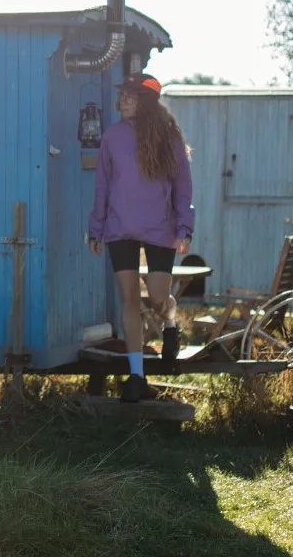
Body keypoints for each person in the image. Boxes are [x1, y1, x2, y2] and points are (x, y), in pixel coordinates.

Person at [87, 73, 194, 402]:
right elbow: (103, 185)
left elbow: (183, 187)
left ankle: (171, 320)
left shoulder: (169, 138)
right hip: (119, 228)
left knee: (158, 298)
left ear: (145, 102)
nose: (123, 100)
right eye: (122, 95)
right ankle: (137, 376)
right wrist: (96, 228)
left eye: (130, 96)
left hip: (160, 228)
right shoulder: (112, 136)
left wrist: (184, 228)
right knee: (129, 299)